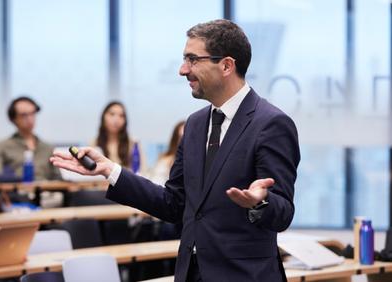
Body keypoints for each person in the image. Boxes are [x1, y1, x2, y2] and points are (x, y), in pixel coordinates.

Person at [51, 19, 300, 282]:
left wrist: (260, 202)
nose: (183, 70)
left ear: (226, 65)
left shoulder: (271, 123)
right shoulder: (194, 124)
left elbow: (282, 212)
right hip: (190, 273)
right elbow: (173, 204)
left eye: (193, 60)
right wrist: (111, 171)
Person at [0, 96, 62, 208]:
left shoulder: (47, 147)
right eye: (24, 115)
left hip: (47, 196)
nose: (30, 118)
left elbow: (57, 178)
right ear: (13, 119)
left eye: (32, 113)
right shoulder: (1, 146)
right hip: (17, 197)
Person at [94, 101, 146, 174]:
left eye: (121, 116)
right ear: (103, 117)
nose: (116, 119)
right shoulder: (94, 143)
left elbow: (141, 171)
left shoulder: (133, 142)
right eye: (112, 114)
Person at [150, 120, 185, 186]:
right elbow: (156, 183)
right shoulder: (165, 161)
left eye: (186, 137)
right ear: (175, 139)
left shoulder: (199, 163)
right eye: (181, 137)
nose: (184, 141)